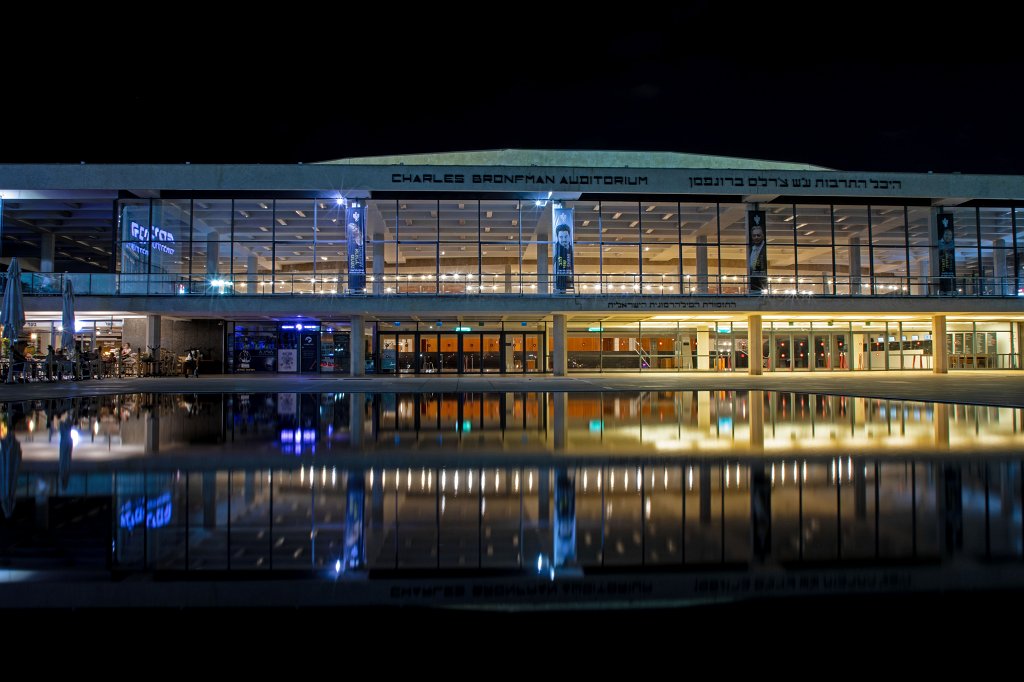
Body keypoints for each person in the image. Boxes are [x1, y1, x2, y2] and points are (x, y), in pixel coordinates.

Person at [554, 222, 574, 292]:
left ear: (569, 236)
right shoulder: (556, 251)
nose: (564, 239)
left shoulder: (571, 250)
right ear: (557, 238)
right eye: (561, 237)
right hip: (559, 280)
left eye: (566, 236)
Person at [748, 223, 768, 292]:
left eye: (758, 235)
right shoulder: (751, 249)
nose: (756, 237)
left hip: (761, 283)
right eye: (754, 236)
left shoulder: (765, 249)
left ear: (763, 236)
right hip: (754, 282)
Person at [938, 225, 956, 294]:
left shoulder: (952, 244)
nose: (948, 236)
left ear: (952, 236)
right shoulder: (939, 243)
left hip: (948, 270)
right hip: (943, 270)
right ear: (943, 235)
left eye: (950, 235)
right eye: (946, 234)